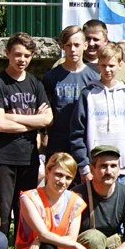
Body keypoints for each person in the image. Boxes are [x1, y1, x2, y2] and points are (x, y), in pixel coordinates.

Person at [0, 33, 53, 236]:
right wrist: (33, 122)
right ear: (7, 53)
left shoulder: (35, 83)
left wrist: (13, 117)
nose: (22, 60)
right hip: (5, 157)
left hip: (29, 157)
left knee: (25, 210)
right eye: (17, 54)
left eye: (27, 55)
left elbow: (47, 119)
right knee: (3, 210)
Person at [71, 43, 125, 184]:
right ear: (98, 65)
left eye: (111, 65)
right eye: (103, 65)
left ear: (120, 65)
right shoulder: (87, 94)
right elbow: (77, 132)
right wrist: (84, 166)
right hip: (94, 168)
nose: (107, 70)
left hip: (121, 169)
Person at [43, 25, 99, 155]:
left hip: (85, 142)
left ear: (85, 45)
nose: (72, 49)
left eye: (77, 45)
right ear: (62, 47)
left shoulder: (94, 78)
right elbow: (45, 110)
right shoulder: (51, 77)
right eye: (68, 45)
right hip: (58, 142)